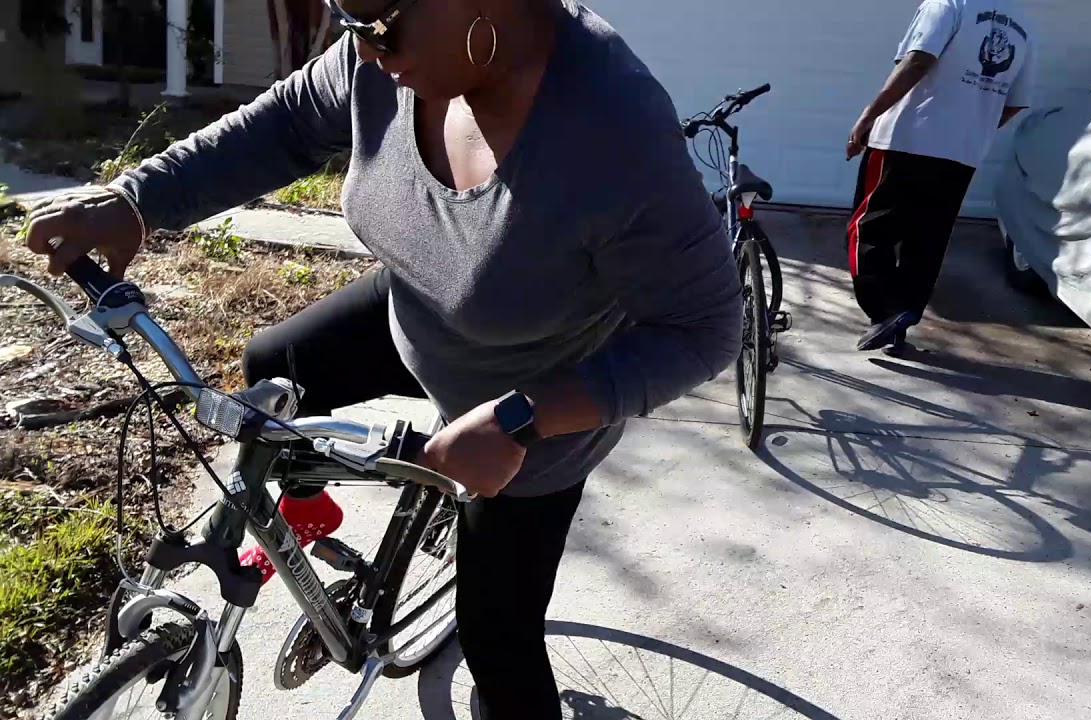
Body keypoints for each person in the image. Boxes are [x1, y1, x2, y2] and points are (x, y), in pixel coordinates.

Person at [22, 1, 742, 717]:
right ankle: (309, 511)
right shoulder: (391, 54)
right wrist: (137, 200)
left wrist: (525, 419)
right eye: (348, 19)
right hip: (422, 314)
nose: (364, 49)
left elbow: (705, 326)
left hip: (528, 404)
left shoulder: (612, 132)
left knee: (497, 640)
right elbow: (287, 124)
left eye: (379, 25)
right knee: (277, 365)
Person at [844, 0, 1037, 355]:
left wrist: (868, 116)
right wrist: (967, 128)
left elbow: (918, 60)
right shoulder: (1022, 23)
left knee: (867, 230)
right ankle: (903, 316)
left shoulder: (948, 4)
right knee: (927, 238)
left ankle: (884, 311)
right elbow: (1015, 102)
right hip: (962, 152)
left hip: (906, 139)